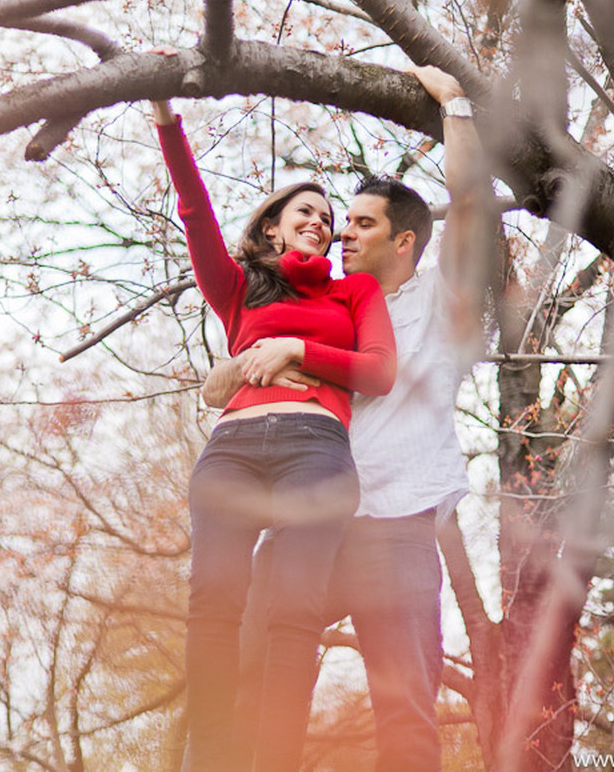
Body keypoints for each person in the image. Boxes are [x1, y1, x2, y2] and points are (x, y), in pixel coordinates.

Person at [201, 65, 491, 771]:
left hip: (395, 526)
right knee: (251, 673)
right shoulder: (323, 301)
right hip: (308, 517)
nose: (342, 235)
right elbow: (238, 379)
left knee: (404, 709)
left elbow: (473, 208)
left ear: (405, 241)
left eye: (362, 224)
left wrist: (455, 105)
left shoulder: (442, 299)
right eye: (342, 222)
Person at [149, 93, 398, 772]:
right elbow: (195, 213)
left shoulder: (353, 294)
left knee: (294, 611)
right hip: (231, 452)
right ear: (272, 229)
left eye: (328, 218)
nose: (320, 222)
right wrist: (167, 120)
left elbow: (379, 372)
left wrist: (296, 350)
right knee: (214, 604)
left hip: (315, 453)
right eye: (305, 213)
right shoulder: (239, 290)